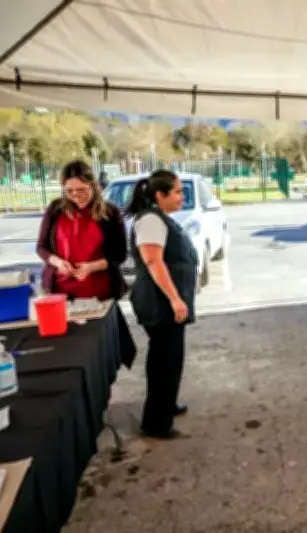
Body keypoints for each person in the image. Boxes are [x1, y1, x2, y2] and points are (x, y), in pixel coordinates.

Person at [125, 169, 198, 440]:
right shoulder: (151, 222)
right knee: (163, 361)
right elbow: (154, 262)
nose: (182, 196)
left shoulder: (161, 219)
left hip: (165, 302)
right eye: (177, 192)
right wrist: (175, 298)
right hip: (159, 304)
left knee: (171, 357)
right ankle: (156, 422)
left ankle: (167, 405)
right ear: (160, 195)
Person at [36, 160, 127, 300]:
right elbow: (41, 247)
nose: (75, 195)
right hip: (60, 291)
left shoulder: (110, 212)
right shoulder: (55, 209)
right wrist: (58, 263)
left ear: (93, 186)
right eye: (69, 191)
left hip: (101, 291)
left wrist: (91, 267)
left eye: (81, 190)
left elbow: (119, 254)